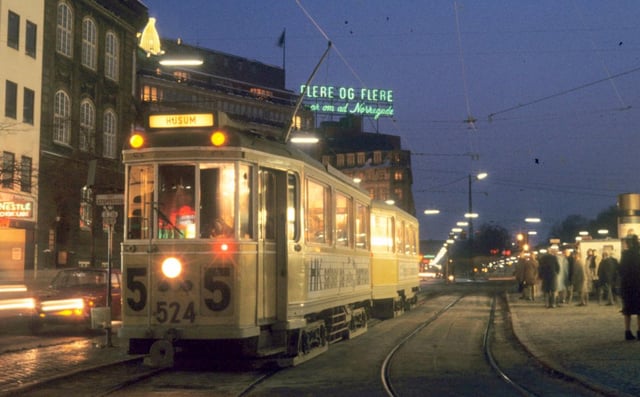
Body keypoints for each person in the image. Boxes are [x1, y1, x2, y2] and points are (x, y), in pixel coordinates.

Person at [618, 234, 640, 340]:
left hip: (627, 285)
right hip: (638, 284)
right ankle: (639, 332)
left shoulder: (625, 254)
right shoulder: (638, 253)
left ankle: (627, 332)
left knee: (627, 309)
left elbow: (621, 269)